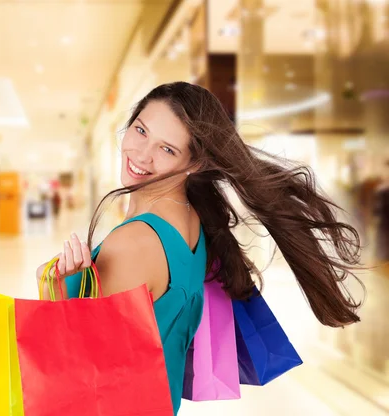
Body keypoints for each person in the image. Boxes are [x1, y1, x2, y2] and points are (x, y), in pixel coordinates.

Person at [36, 82, 363, 414]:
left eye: (167, 150)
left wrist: (55, 290)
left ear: (194, 163)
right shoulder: (194, 223)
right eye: (141, 130)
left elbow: (86, 374)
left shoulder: (133, 243)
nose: (142, 154)